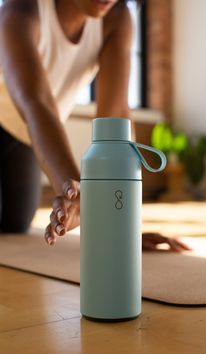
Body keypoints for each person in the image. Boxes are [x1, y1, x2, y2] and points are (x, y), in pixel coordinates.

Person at [0, 0, 191, 252]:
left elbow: (114, 121)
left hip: (23, 136)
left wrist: (120, 223)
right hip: (25, 117)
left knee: (15, 223)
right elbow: (37, 105)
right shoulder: (20, 10)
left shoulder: (116, 17)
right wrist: (76, 192)